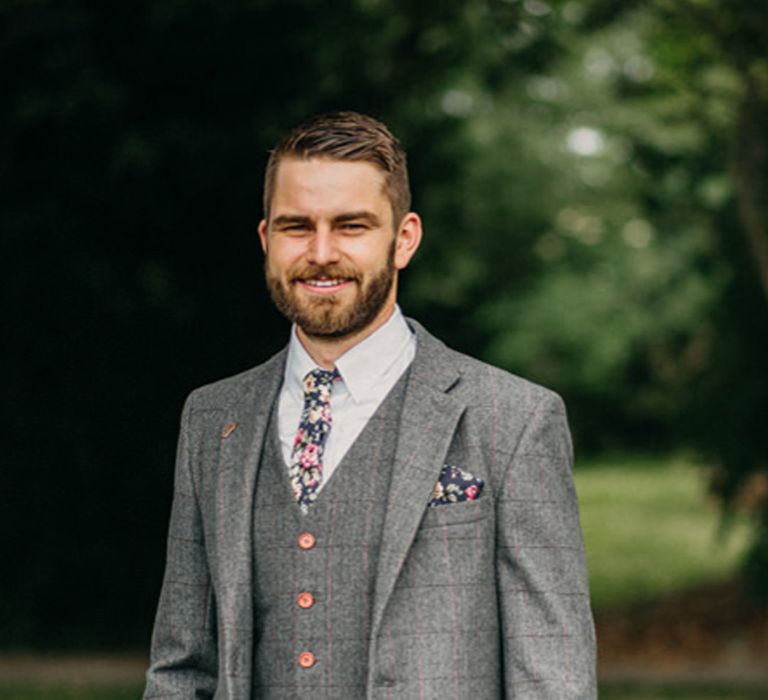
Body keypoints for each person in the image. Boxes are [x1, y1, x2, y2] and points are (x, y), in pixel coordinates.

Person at [144, 111, 597, 699]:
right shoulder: (212, 420)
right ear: (266, 240)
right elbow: (181, 670)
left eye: (351, 226)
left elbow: (554, 679)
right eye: (296, 227)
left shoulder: (513, 420)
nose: (322, 252)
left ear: (403, 238)